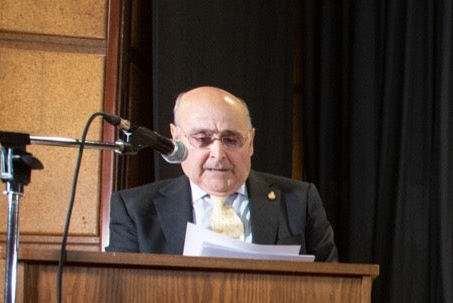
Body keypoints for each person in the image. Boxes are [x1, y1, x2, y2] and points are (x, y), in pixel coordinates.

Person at [106, 86, 338, 262]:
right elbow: (122, 293)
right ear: (176, 138)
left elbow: (333, 289)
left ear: (251, 141)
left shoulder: (300, 201)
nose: (218, 154)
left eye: (231, 139)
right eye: (202, 139)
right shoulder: (135, 210)